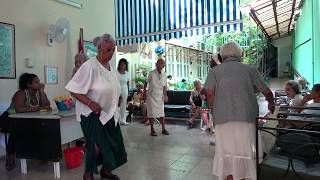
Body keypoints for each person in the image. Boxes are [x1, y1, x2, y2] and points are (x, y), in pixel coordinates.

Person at [204, 42, 274, 180]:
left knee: (227, 153)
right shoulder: (250, 69)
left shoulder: (215, 71)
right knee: (245, 153)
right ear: (240, 55)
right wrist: (271, 102)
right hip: (247, 118)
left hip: (223, 118)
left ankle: (230, 177)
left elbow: (209, 92)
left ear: (222, 56)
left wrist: (213, 108)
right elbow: (266, 91)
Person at [65, 33, 127, 180]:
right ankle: (88, 173)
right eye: (108, 50)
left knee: (114, 144)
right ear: (99, 49)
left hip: (110, 113)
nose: (111, 53)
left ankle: (106, 170)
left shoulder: (110, 66)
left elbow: (112, 86)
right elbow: (73, 89)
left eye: (113, 49)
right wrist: (90, 103)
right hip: (91, 114)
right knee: (96, 146)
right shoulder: (89, 66)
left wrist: (115, 98)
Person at [6, 73, 50, 171]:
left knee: (43, 127)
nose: (40, 83)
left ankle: (41, 154)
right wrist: (38, 108)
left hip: (26, 119)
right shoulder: (21, 93)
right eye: (36, 82)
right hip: (10, 119)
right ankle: (10, 155)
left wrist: (42, 92)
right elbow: (19, 109)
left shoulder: (38, 93)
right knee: (17, 129)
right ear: (29, 84)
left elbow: (47, 105)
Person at [144, 58, 169, 136]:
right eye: (160, 63)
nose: (161, 65)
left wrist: (165, 95)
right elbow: (145, 82)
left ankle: (163, 129)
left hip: (160, 96)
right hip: (151, 96)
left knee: (162, 113)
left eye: (163, 63)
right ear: (156, 64)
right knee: (151, 113)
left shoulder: (164, 74)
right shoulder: (151, 73)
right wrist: (144, 92)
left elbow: (164, 86)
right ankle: (152, 130)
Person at [117, 58, 130, 125]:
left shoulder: (127, 73)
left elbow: (128, 82)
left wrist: (128, 91)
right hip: (117, 90)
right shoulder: (116, 73)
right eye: (121, 65)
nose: (122, 66)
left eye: (124, 65)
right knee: (116, 105)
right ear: (119, 65)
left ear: (126, 66)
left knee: (123, 105)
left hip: (125, 90)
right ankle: (117, 120)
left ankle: (123, 120)